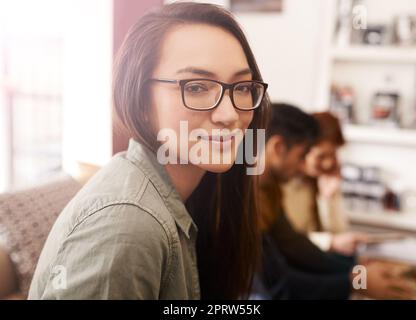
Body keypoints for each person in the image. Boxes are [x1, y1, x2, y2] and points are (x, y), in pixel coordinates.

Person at [28, 2, 269, 299]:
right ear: (141, 100)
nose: (229, 114)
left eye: (242, 87)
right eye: (196, 87)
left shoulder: (190, 197)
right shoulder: (127, 225)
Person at [253, 103, 414, 300]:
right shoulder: (241, 198)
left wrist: (358, 270)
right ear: (278, 148)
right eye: (302, 155)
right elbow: (280, 285)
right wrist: (358, 280)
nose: (302, 164)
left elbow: (295, 246)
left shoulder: (268, 189)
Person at [282, 111, 369, 256]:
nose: (328, 163)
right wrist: (329, 242)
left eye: (333, 155)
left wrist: (327, 198)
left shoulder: (322, 180)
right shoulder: (283, 182)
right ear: (302, 149)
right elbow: (283, 240)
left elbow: (339, 234)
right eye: (321, 156)